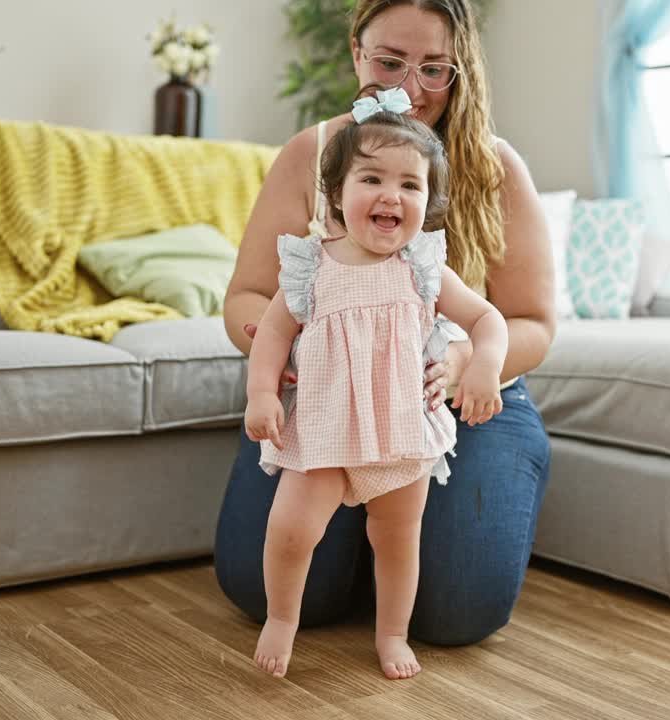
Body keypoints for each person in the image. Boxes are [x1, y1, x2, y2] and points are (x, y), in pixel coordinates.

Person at [217, 0, 556, 650]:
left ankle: (396, 552)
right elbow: (249, 298)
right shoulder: (312, 153)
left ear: (460, 72)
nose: (409, 87)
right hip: (327, 398)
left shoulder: (495, 166)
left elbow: (532, 323)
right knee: (267, 592)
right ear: (356, 52)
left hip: (458, 404)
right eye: (390, 62)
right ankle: (364, 545)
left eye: (434, 68)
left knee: (457, 613)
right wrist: (274, 353)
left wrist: (463, 364)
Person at [246, 92, 509, 679]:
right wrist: (262, 392)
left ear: (426, 203)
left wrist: (484, 365)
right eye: (372, 178)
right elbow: (270, 333)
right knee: (291, 530)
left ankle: (392, 633)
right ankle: (282, 617)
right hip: (322, 426)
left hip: (399, 429)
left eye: (411, 186)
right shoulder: (312, 266)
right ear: (336, 194)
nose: (392, 195)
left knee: (396, 539)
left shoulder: (423, 268)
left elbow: (488, 320)